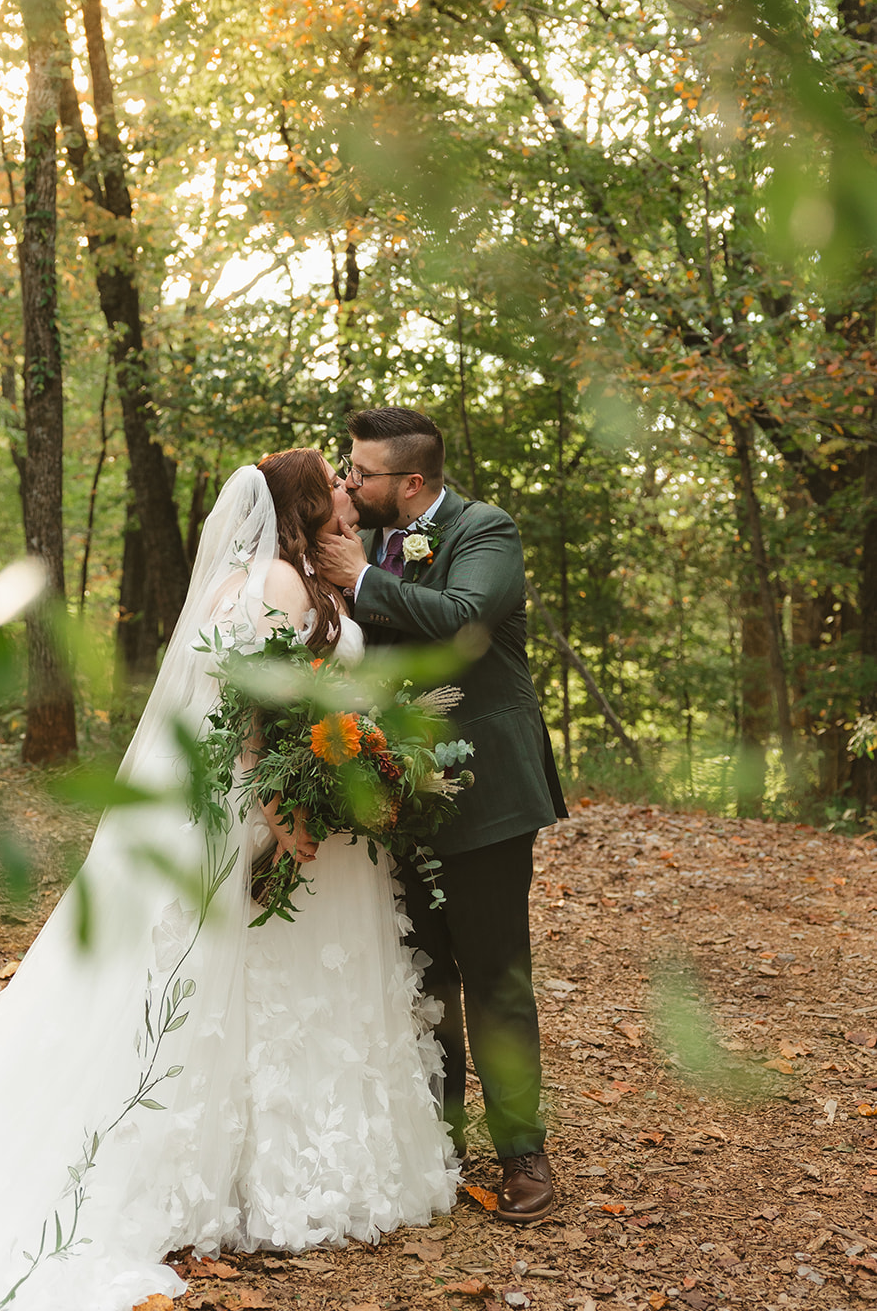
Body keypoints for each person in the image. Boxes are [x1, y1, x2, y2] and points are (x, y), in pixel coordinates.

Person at [0, 451, 455, 1311]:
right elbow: (245, 707)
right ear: (301, 504)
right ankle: (230, 1168)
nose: (347, 488)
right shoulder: (276, 583)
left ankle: (300, 1158)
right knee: (228, 980)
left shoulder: (306, 575)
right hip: (268, 812)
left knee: (291, 982)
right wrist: (279, 806)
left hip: (321, 814)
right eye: (332, 482)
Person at [318, 408, 568, 1225]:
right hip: (394, 792)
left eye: (361, 473)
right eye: (347, 472)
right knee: (421, 972)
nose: (350, 483)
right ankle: (435, 1138)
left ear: (411, 483)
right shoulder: (366, 544)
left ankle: (521, 1151)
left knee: (494, 974)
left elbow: (465, 616)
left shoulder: (482, 529)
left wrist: (359, 581)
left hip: (486, 793)